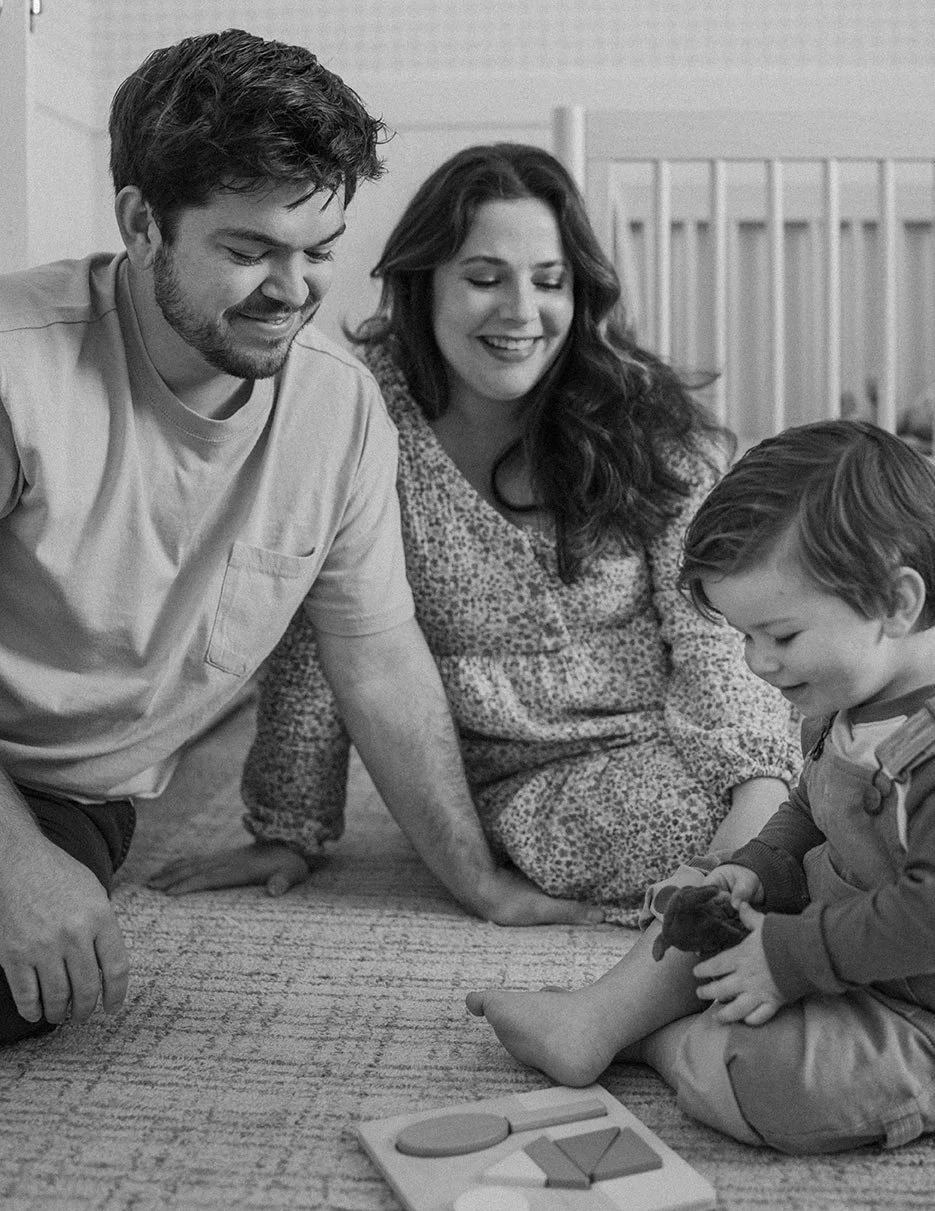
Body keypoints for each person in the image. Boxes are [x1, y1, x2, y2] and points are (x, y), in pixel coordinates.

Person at [0, 34, 593, 1048]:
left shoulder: (338, 411)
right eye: (247, 251)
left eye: (318, 250)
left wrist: (480, 882)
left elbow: (379, 659)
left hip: (69, 792)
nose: (294, 291)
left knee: (27, 994)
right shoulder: (20, 369)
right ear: (143, 224)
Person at [157, 144, 799, 923]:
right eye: (486, 279)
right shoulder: (362, 419)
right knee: (742, 817)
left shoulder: (644, 423)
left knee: (859, 745)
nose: (521, 312)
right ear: (423, 285)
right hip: (533, 786)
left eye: (549, 281)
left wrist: (753, 800)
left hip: (700, 729)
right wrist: (289, 826)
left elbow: (714, 634)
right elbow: (323, 640)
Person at [466, 420, 935, 1155]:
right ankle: (598, 1017)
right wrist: (752, 870)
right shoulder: (848, 708)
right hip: (847, 942)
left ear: (895, 604)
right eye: (744, 635)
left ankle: (658, 1041)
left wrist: (791, 958)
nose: (757, 662)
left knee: (781, 1086)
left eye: (780, 635)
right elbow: (808, 812)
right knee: (707, 907)